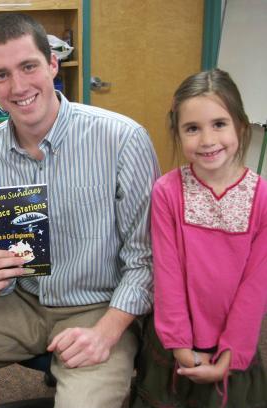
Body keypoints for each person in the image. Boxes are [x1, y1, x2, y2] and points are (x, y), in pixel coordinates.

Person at [0, 13, 160, 407]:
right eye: (1, 75)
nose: (18, 86)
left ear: (53, 64)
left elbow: (148, 260)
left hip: (99, 306)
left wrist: (108, 331)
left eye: (29, 66)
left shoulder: (122, 140)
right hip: (21, 302)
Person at [132, 69, 267, 408]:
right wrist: (180, 345)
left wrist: (232, 352)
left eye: (219, 124)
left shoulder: (262, 197)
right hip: (176, 343)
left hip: (233, 346)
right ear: (178, 133)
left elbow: (256, 285)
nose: (207, 140)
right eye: (193, 128)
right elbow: (168, 273)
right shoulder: (167, 192)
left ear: (240, 124)